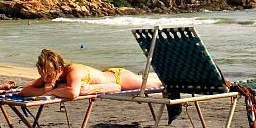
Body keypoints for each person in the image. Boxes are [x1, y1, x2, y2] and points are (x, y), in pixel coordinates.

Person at [21, 48, 163, 99]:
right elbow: (24, 90)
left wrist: (52, 91)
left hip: (119, 78)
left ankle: (173, 79)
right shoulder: (49, 74)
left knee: (156, 84)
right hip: (107, 78)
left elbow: (73, 93)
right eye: (43, 74)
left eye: (49, 75)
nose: (46, 78)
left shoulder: (73, 72)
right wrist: (45, 89)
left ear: (59, 69)